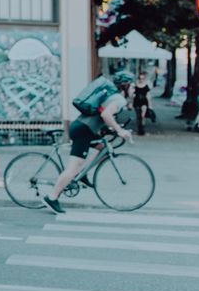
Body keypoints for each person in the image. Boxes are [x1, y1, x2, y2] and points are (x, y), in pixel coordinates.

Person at [45, 69, 135, 214]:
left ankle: (83, 174)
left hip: (84, 128)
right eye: (132, 85)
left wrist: (113, 128)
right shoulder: (119, 99)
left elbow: (101, 115)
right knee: (73, 168)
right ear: (126, 85)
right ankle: (52, 197)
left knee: (102, 147)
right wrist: (119, 130)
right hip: (83, 131)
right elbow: (106, 115)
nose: (134, 89)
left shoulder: (111, 96)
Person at [131, 70, 153, 135]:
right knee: (138, 116)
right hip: (137, 101)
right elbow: (132, 95)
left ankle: (142, 129)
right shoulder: (135, 86)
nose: (141, 80)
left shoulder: (146, 86)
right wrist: (131, 103)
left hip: (144, 102)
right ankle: (139, 129)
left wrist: (150, 105)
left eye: (143, 78)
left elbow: (148, 95)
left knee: (143, 115)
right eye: (140, 78)